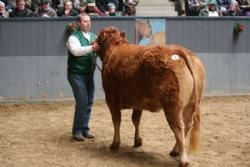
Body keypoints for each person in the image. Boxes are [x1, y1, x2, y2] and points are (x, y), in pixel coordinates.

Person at [66, 13, 100, 141]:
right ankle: (77, 131)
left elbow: (100, 47)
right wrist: (92, 48)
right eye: (85, 21)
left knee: (89, 101)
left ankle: (85, 128)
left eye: (89, 21)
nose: (88, 23)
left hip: (89, 74)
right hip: (76, 74)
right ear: (79, 23)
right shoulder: (73, 37)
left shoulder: (93, 36)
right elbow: (76, 51)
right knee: (82, 101)